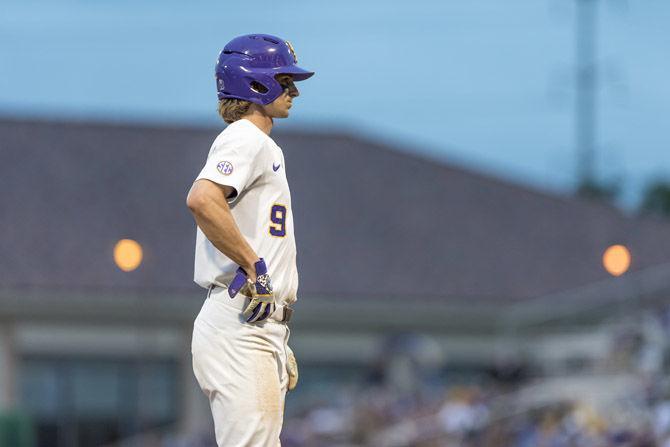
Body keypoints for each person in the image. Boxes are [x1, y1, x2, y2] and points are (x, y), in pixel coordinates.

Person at [186, 34, 313, 446]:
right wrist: (254, 264)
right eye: (284, 79)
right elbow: (202, 198)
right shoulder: (246, 137)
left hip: (255, 322)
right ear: (255, 84)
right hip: (241, 319)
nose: (293, 90)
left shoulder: (261, 143)